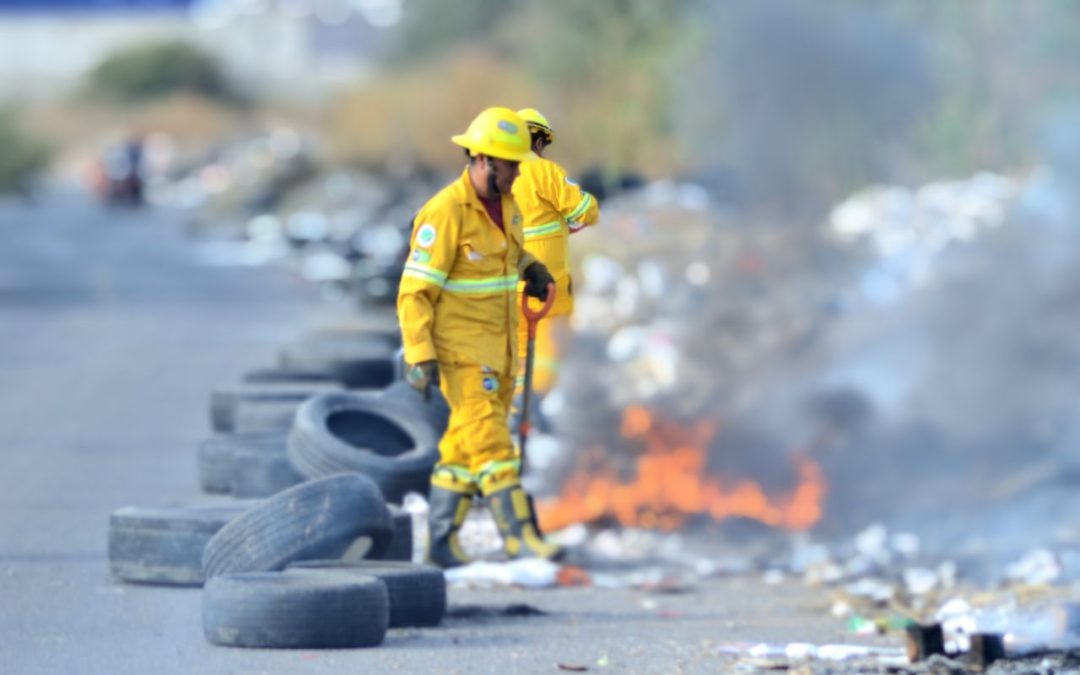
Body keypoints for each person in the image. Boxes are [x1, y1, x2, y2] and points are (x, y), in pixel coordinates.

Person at [397, 106, 563, 568]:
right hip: (462, 354)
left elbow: (508, 255)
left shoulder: (507, 207)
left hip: (500, 350)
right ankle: (520, 538)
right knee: (492, 445)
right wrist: (419, 355)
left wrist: (531, 267)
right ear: (485, 160)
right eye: (511, 165)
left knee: (461, 449)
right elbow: (414, 292)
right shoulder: (446, 212)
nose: (517, 173)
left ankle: (440, 543)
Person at [511, 108, 600, 413]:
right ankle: (536, 406)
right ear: (539, 141)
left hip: (500, 280)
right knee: (548, 346)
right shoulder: (544, 172)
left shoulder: (491, 172)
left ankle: (511, 410)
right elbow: (585, 211)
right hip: (544, 281)